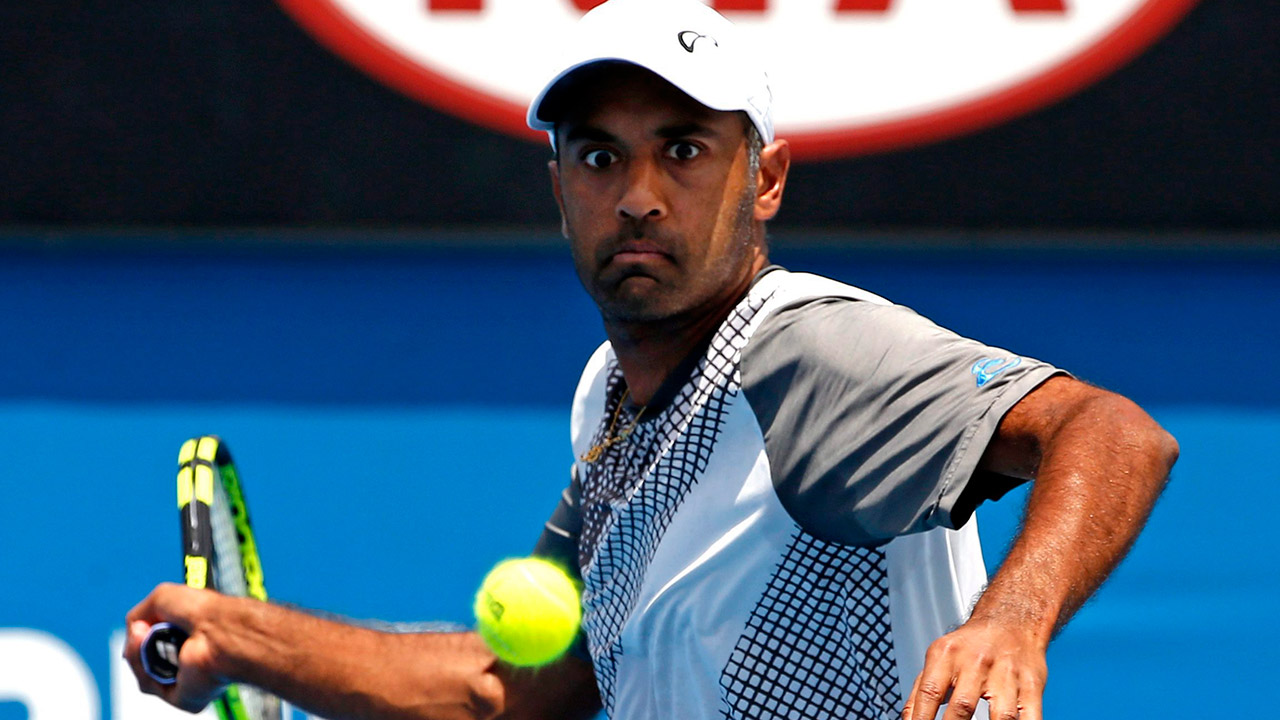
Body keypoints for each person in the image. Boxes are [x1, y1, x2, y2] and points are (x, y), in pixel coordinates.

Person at [123, 0, 1179, 718]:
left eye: (682, 150)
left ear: (765, 179)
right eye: (599, 156)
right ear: (559, 189)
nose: (636, 195)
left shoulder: (805, 352)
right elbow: (507, 691)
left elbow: (1111, 432)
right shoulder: (611, 402)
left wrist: (1011, 621)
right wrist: (245, 641)